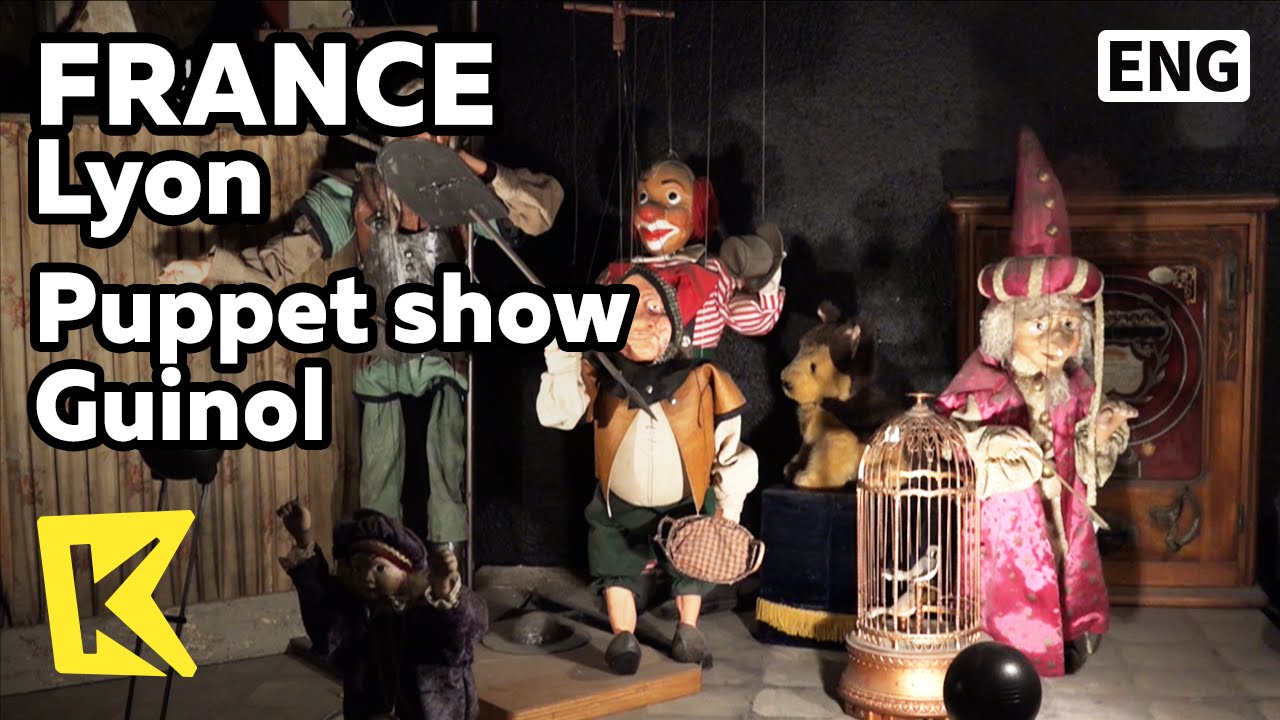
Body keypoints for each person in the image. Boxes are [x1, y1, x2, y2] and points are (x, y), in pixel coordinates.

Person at [159, 80, 565, 579]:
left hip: (447, 345)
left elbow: (541, 211)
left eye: (438, 128)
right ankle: (378, 575)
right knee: (379, 467)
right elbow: (289, 255)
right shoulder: (361, 189)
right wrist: (210, 269)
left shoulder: (462, 192)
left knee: (448, 463)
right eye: (415, 126)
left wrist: (469, 167)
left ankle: (450, 575)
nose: (428, 137)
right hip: (381, 345)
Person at [935, 127, 1136, 677]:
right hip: (1004, 525)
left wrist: (1099, 433)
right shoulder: (982, 382)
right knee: (1013, 573)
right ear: (1006, 327)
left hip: (1065, 512)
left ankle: (1073, 630)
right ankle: (1009, 646)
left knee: (1070, 560)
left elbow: (1084, 449)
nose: (1058, 338)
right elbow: (948, 443)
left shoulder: (1076, 386)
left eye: (1070, 325)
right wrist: (988, 439)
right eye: (1040, 325)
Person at [535, 265, 759, 675]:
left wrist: (730, 508)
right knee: (614, 563)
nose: (641, 319)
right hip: (618, 506)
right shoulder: (601, 377)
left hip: (686, 504)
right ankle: (624, 637)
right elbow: (561, 413)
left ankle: (688, 629)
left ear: (673, 320)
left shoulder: (703, 379)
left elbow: (730, 446)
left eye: (653, 308)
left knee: (693, 560)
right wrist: (561, 355)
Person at [276, 500, 488, 720]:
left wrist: (443, 591)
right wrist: (303, 538)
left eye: (379, 568)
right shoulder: (358, 611)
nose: (366, 577)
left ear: (405, 571)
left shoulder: (424, 609)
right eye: (358, 568)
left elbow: (461, 634)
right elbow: (325, 627)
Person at [597, 158, 785, 357]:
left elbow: (750, 320)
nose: (648, 212)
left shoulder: (714, 270)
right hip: (626, 371)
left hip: (692, 373)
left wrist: (768, 286)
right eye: (643, 198)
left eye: (672, 196)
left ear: (697, 208)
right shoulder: (617, 272)